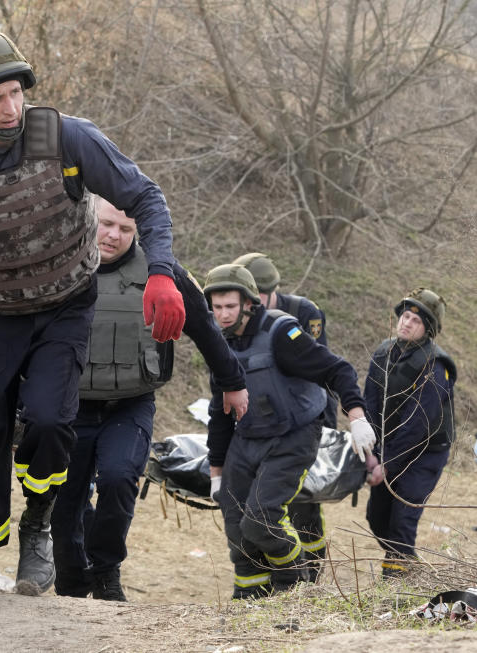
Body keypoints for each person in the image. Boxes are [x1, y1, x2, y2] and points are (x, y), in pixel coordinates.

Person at [0, 32, 186, 598]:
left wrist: (160, 271)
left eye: (16, 92)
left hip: (64, 305)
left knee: (47, 419)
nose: (11, 107)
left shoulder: (68, 138)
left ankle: (37, 521)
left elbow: (147, 198)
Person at [50, 197, 248, 601]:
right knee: (66, 497)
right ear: (90, 219)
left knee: (120, 478)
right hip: (70, 406)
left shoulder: (163, 274)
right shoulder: (61, 266)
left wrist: (232, 381)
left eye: (125, 229)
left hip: (130, 404)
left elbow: (206, 329)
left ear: (137, 231)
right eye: (106, 224)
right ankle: (71, 581)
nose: (113, 235)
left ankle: (106, 572)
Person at [202, 264, 373, 599]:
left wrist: (356, 415)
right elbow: (219, 412)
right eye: (217, 307)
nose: (223, 315)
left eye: (230, 307)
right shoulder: (218, 343)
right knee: (236, 523)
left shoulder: (282, 334)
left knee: (261, 520)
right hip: (247, 435)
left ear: (249, 302)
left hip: (293, 435)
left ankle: (294, 587)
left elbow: (335, 369)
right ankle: (250, 598)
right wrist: (216, 473)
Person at [232, 251, 336, 579]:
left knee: (304, 502)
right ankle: (275, 568)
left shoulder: (302, 312)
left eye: (260, 296)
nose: (255, 303)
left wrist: (328, 430)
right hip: (261, 420)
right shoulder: (238, 316)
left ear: (273, 289)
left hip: (302, 418)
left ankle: (312, 564)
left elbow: (321, 369)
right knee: (263, 503)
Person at [364, 288, 455, 577]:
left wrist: (387, 464)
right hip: (389, 447)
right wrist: (371, 452)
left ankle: (394, 588)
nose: (406, 323)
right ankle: (410, 568)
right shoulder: (383, 352)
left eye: (415, 321)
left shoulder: (436, 365)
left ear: (428, 330)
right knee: (377, 518)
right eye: (404, 316)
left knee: (403, 519)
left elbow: (418, 424)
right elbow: (370, 405)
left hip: (425, 453)